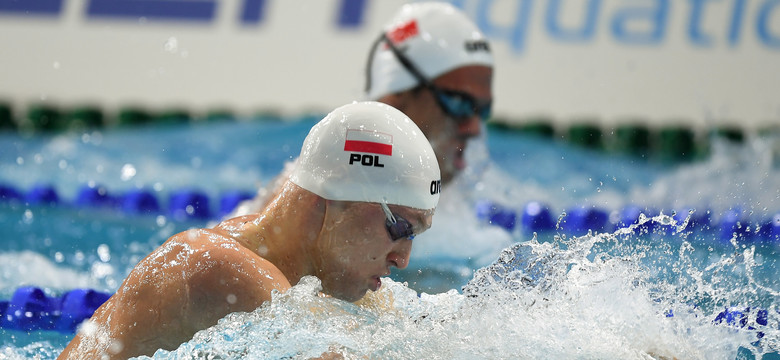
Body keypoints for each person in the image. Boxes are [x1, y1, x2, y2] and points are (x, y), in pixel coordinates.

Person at [58, 101, 441, 359]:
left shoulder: (319, 275)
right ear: (333, 198)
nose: (402, 259)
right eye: (399, 227)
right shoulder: (222, 267)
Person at [229, 2, 493, 218]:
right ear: (397, 96)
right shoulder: (318, 188)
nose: (473, 128)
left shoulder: (457, 210)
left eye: (483, 109)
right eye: (458, 103)